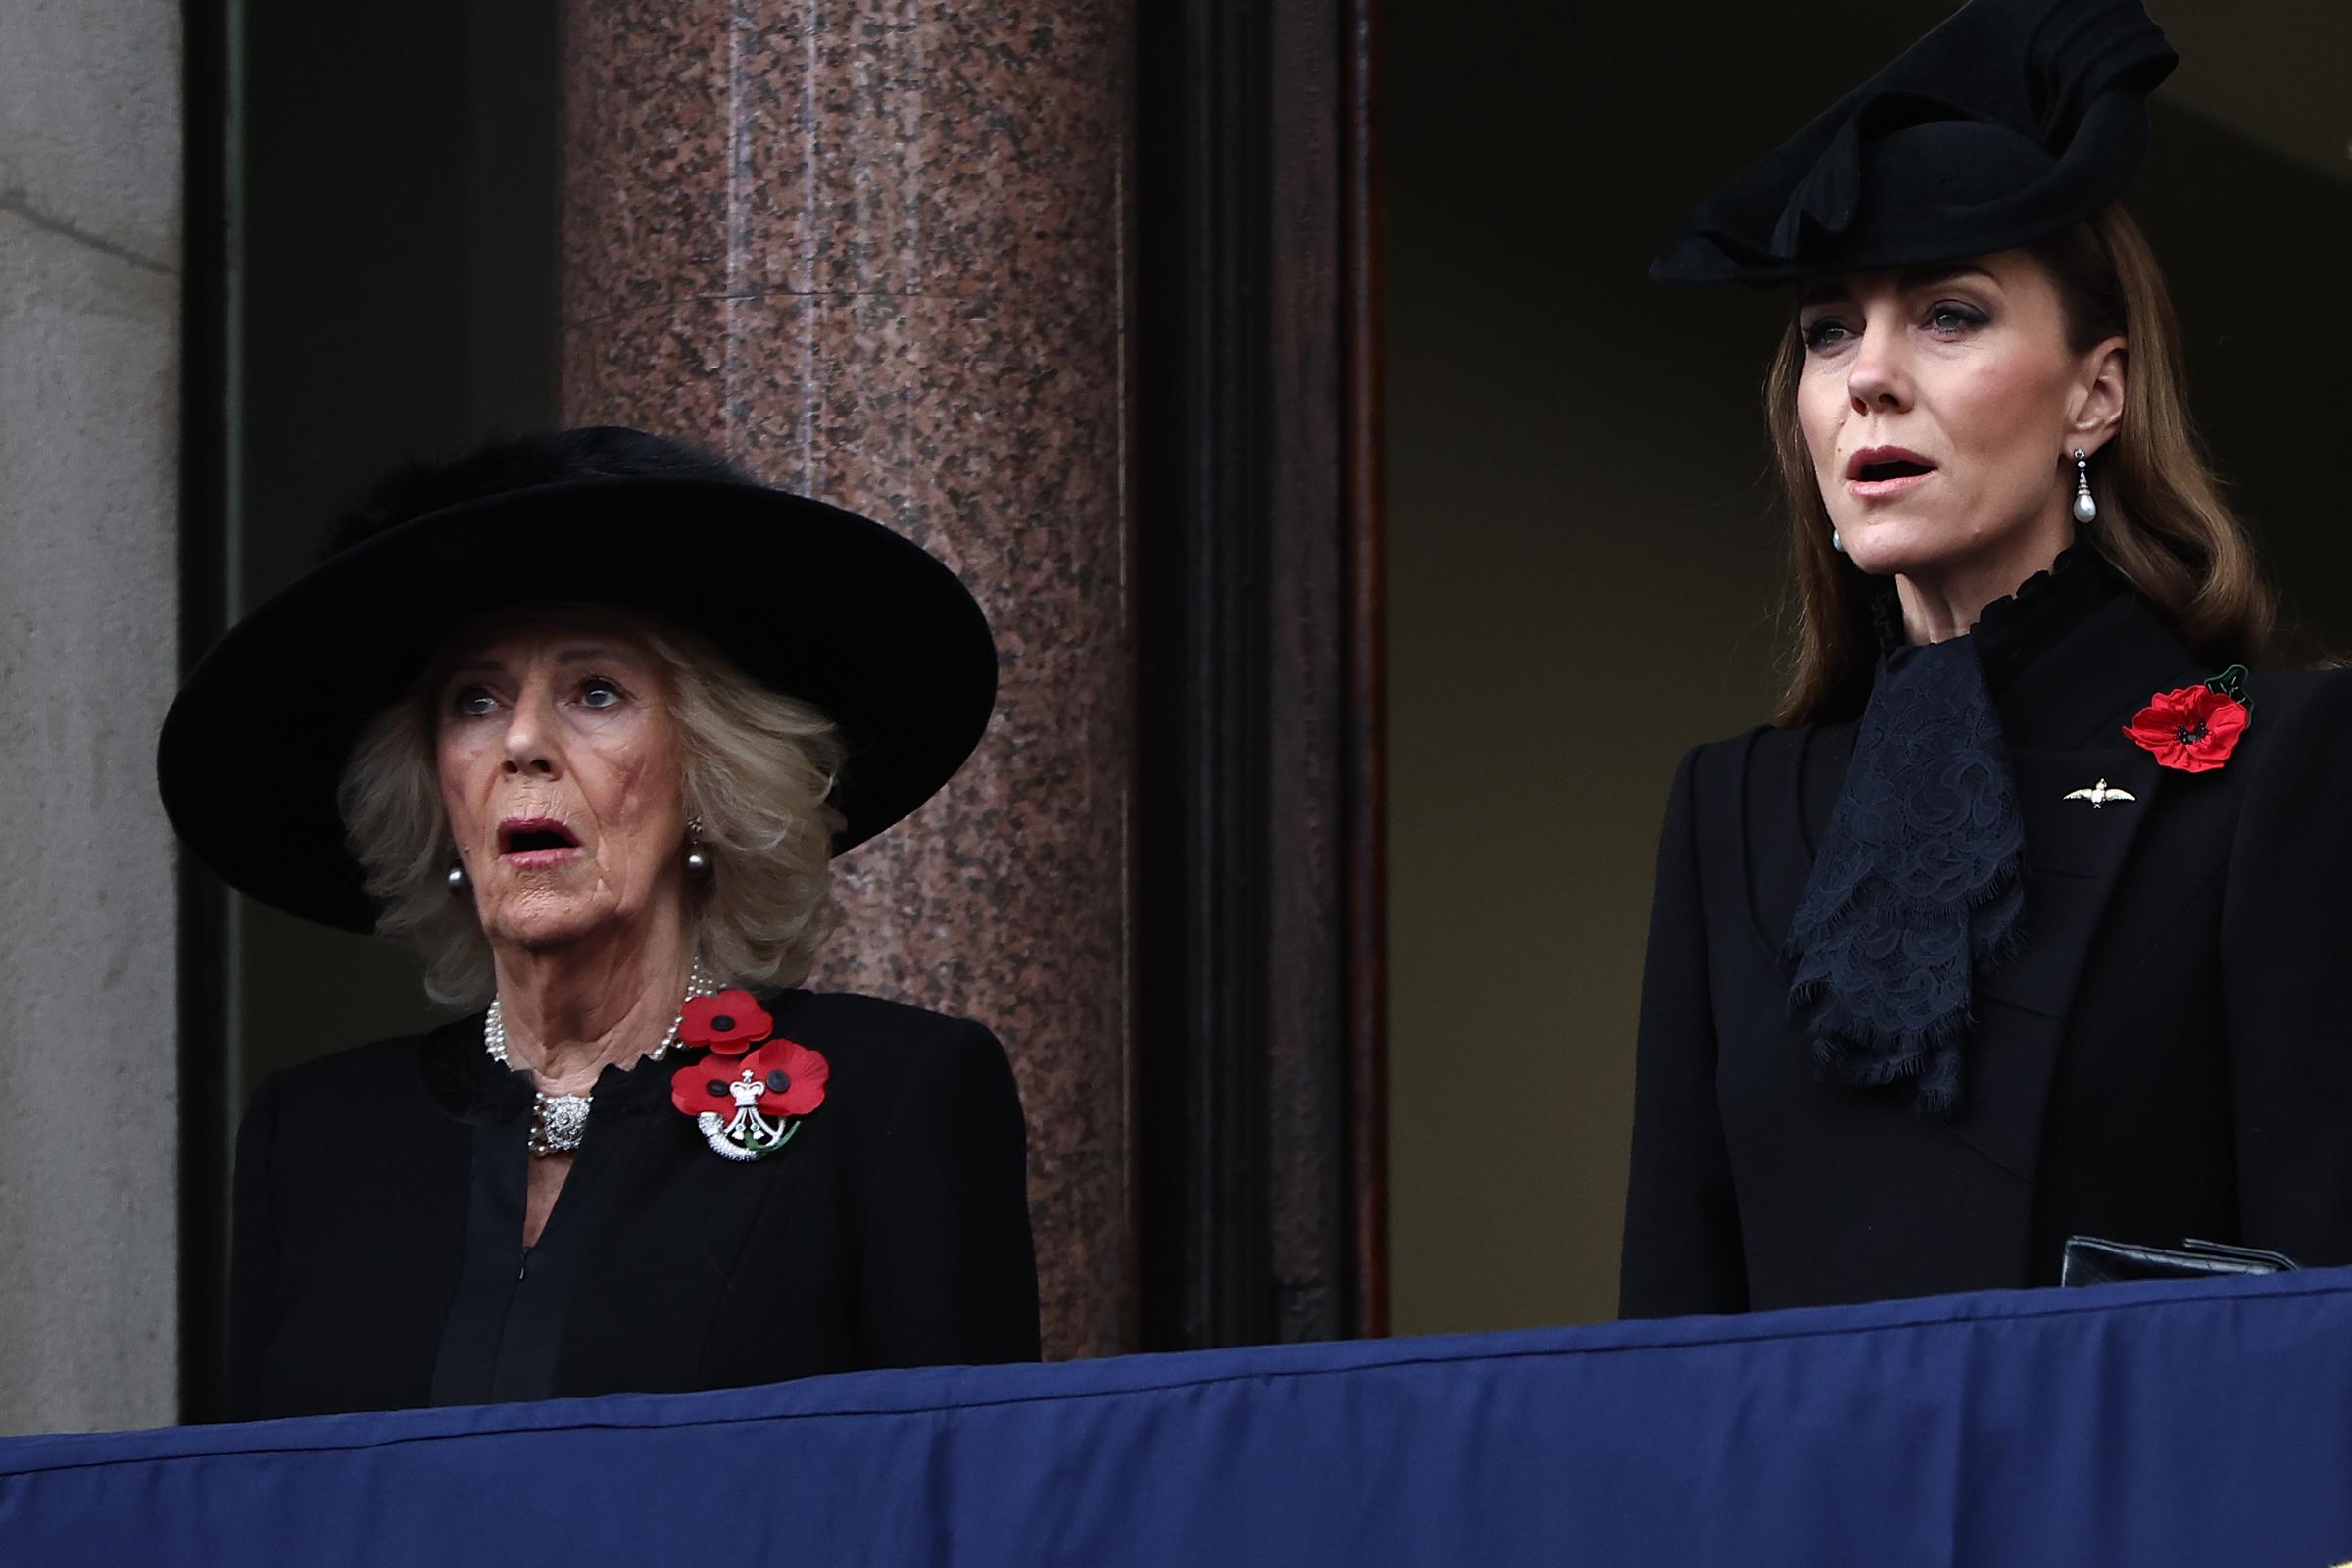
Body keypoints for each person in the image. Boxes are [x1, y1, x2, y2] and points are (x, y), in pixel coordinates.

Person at [1618, 0, 2352, 1317]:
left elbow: (2327, 1299)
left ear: (2096, 394)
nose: (1869, 379)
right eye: (1829, 329)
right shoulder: (1726, 810)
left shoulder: (2286, 765)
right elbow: (1676, 1315)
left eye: (1949, 315)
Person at [160, 427, 1041, 1417]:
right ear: (436, 788)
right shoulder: (315, 1138)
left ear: (706, 775)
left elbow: (971, 1501)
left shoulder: (893, 1099)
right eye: (476, 699)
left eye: (596, 692)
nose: (524, 740)